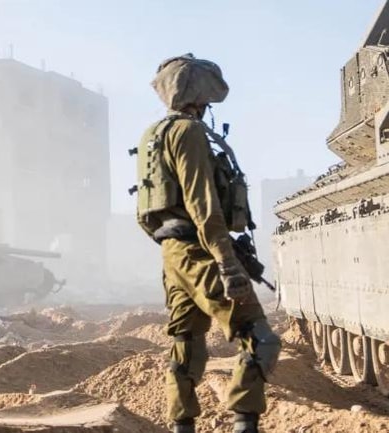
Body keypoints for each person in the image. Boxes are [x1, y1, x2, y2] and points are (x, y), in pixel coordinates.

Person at [133, 54, 281, 433]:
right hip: (201, 250)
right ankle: (244, 421)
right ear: (199, 96)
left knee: (186, 344)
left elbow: (144, 214)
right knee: (260, 339)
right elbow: (203, 205)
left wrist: (174, 247)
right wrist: (227, 263)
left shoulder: (151, 136)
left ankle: (181, 426)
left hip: (173, 255)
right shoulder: (189, 132)